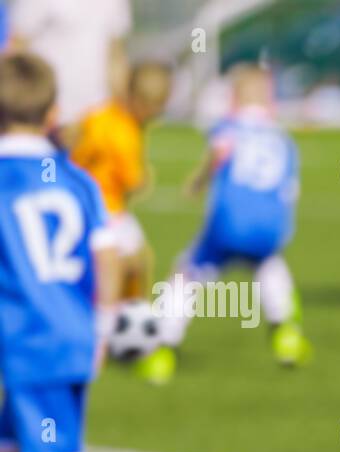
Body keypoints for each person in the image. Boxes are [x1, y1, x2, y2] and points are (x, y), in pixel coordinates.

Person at [0, 53, 145, 452]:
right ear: (54, 112)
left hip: (29, 344)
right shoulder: (77, 178)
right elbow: (110, 258)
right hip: (71, 335)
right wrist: (104, 327)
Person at [153, 64, 308, 384]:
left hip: (230, 224)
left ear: (234, 97)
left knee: (188, 273)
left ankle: (162, 346)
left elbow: (218, 153)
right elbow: (290, 190)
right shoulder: (282, 138)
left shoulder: (229, 127)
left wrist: (198, 182)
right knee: (268, 264)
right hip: (270, 226)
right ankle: (286, 332)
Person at [69, 62, 174, 307]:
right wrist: (144, 179)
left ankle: (125, 315)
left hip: (85, 203)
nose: (157, 115)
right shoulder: (124, 134)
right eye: (155, 108)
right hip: (106, 209)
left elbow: (75, 146)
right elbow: (133, 182)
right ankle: (122, 317)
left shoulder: (100, 115)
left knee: (132, 261)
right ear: (139, 101)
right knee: (128, 264)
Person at [8, 0, 132, 132]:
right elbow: (17, 46)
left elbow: (115, 54)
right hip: (47, 113)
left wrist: (123, 106)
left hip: (97, 113)